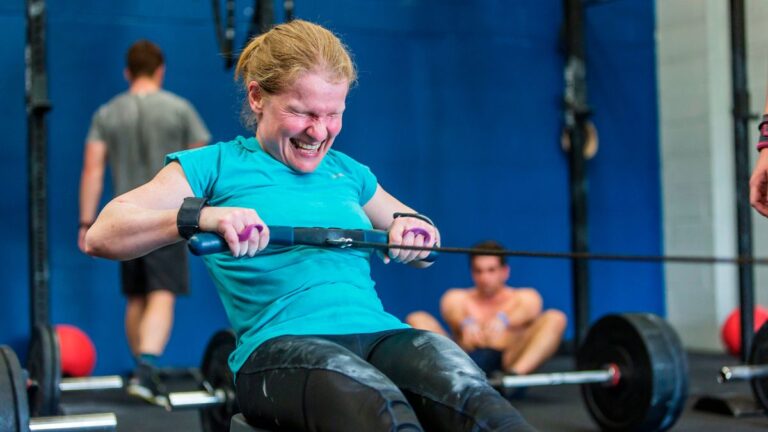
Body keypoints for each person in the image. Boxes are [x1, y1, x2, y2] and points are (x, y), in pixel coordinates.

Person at [84, 20, 535, 431]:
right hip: (281, 346)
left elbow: (419, 232)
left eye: (332, 114)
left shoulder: (350, 172)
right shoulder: (214, 166)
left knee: (477, 401)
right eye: (303, 112)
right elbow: (105, 234)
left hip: (379, 334)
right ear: (258, 97)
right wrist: (202, 216)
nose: (319, 132)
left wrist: (414, 232)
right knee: (379, 411)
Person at [77, 40, 210, 401]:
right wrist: (207, 215)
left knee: (137, 296)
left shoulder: (107, 113)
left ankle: (141, 371)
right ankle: (147, 369)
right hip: (168, 217)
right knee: (161, 293)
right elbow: (204, 166)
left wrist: (87, 223)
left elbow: (92, 169)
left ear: (127, 72)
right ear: (160, 70)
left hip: (125, 219)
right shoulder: (179, 109)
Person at [407, 241, 567, 377]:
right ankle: (456, 377)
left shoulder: (522, 296)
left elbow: (531, 306)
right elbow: (450, 306)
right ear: (472, 273)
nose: (485, 278)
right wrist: (466, 322)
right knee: (417, 318)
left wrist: (504, 320)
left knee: (556, 317)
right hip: (464, 360)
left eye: (491, 270)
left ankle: (514, 377)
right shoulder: (459, 297)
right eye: (479, 271)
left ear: (504, 272)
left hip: (508, 360)